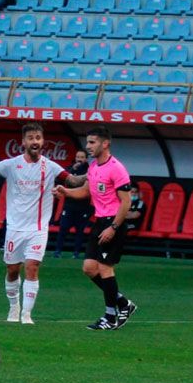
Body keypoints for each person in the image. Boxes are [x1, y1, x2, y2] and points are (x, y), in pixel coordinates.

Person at [0, 124, 79, 324]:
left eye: (38, 138)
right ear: (23, 142)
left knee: (32, 267)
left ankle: (26, 314)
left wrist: (93, 175)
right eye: (31, 138)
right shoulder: (11, 164)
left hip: (38, 229)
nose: (35, 141)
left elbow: (72, 180)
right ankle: (13, 307)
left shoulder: (50, 166)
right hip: (15, 228)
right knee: (12, 270)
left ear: (43, 142)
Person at [53, 126, 138, 330]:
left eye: (92, 142)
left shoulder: (116, 168)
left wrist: (114, 227)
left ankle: (110, 317)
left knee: (105, 267)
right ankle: (123, 303)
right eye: (88, 142)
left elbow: (126, 202)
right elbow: (85, 191)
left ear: (105, 143)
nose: (88, 146)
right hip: (99, 221)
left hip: (113, 222)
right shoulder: (93, 167)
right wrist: (65, 191)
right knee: (89, 268)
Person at [54, 151, 91, 258]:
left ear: (86, 159)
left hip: (83, 206)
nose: (79, 159)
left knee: (80, 231)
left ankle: (76, 253)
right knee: (63, 229)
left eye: (82, 157)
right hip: (69, 204)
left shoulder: (90, 170)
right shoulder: (69, 169)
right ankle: (58, 251)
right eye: (78, 156)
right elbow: (61, 179)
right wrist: (73, 170)